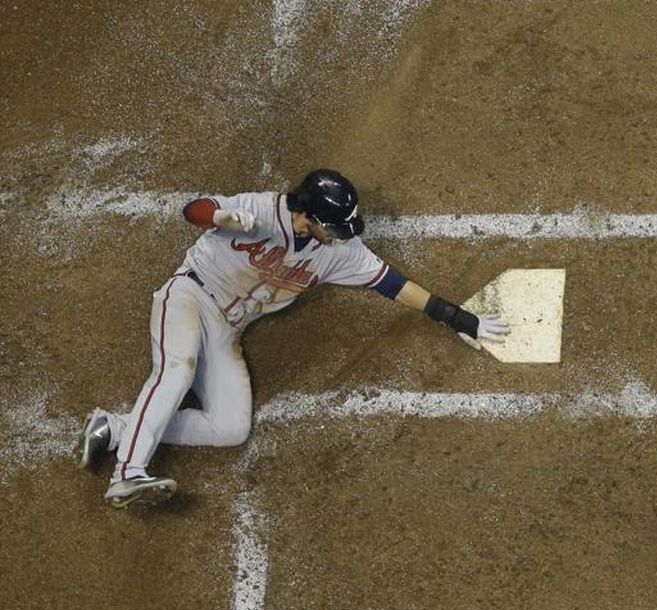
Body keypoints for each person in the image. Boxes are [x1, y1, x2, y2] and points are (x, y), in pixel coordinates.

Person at [77, 169, 510, 508]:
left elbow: (392, 283)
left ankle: (113, 429)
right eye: (334, 226)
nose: (343, 235)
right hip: (189, 296)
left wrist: (458, 318)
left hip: (228, 330)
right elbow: (194, 209)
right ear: (308, 217)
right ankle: (128, 473)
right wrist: (221, 217)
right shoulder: (260, 212)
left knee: (230, 428)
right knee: (175, 371)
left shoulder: (337, 251)